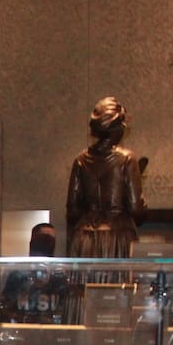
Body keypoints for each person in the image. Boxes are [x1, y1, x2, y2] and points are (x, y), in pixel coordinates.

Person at [66, 96, 147, 257]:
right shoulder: (127, 159)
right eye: (122, 123)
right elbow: (136, 209)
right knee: (117, 282)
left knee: (86, 282)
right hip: (118, 237)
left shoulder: (80, 161)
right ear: (115, 128)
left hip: (85, 240)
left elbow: (73, 210)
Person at [0, 223, 68, 324]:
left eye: (52, 239)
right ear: (33, 240)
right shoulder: (18, 273)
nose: (48, 242)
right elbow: (6, 305)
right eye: (44, 238)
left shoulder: (58, 275)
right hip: (22, 328)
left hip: (49, 331)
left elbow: (63, 307)